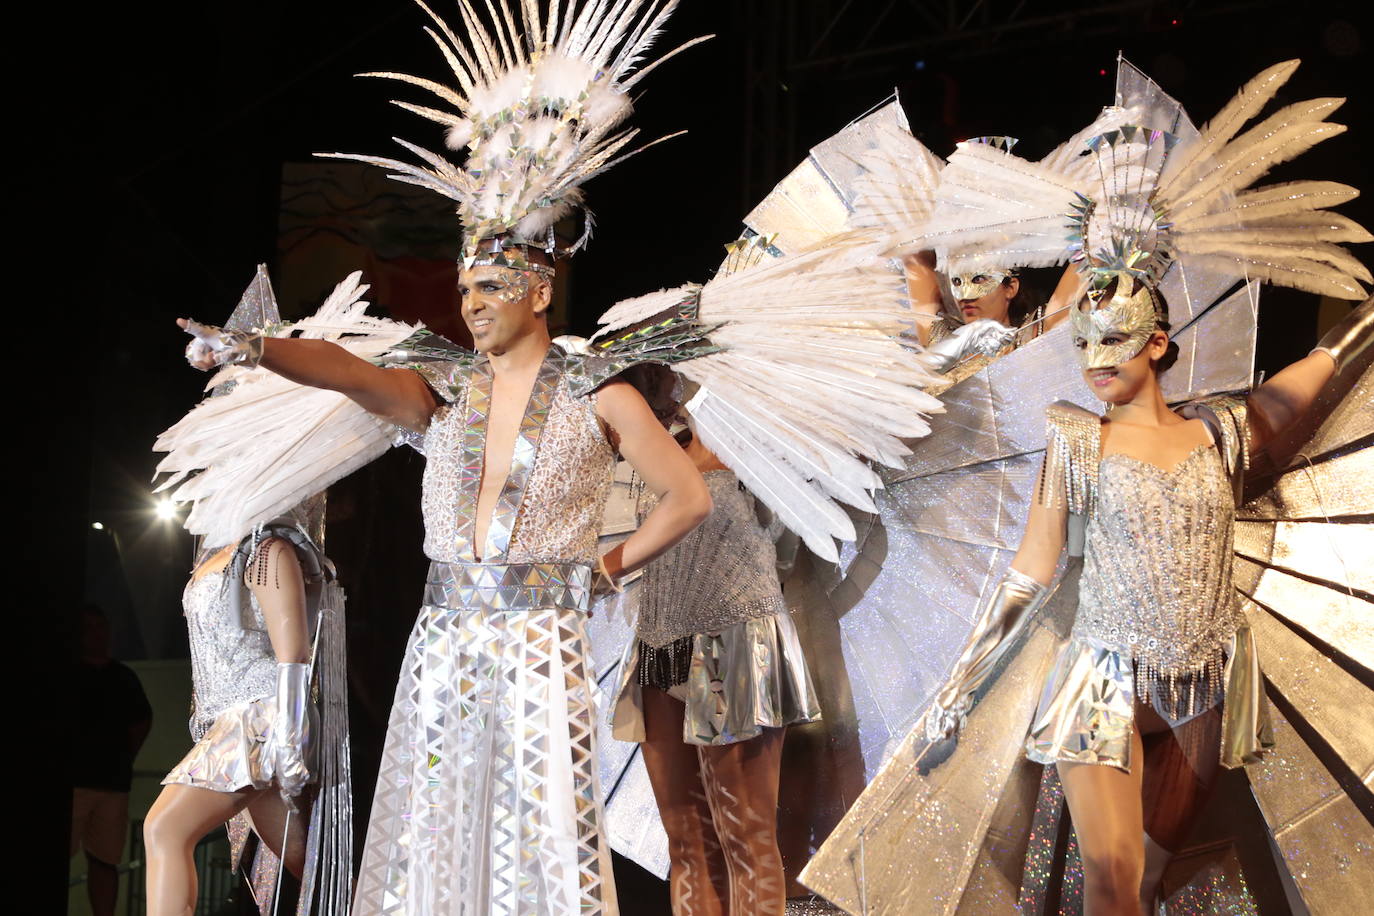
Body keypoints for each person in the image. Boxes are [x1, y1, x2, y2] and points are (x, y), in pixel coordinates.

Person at [610, 427, 820, 916]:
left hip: (737, 639)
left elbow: (786, 541)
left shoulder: (752, 440)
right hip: (659, 639)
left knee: (745, 837)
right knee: (685, 841)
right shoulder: (637, 451)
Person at [143, 517, 347, 916]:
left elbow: (294, 657)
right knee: (307, 863)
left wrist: (289, 744)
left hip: (259, 722)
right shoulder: (219, 554)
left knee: (164, 828)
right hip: (230, 724)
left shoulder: (269, 550)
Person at [72, 603, 152, 916]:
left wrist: (122, 758)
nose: (97, 634)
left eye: (100, 627)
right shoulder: (75, 673)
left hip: (112, 783)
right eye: (89, 628)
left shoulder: (123, 677)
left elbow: (142, 722)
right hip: (77, 781)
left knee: (105, 859)